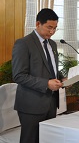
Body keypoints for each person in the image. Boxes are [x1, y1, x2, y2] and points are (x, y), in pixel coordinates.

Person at [12, 8, 64, 143]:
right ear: (38, 24)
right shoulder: (23, 43)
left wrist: (63, 77)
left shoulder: (52, 44)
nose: (52, 32)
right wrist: (46, 84)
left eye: (55, 28)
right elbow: (19, 75)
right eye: (49, 27)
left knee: (47, 139)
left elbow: (51, 69)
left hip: (51, 102)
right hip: (31, 104)